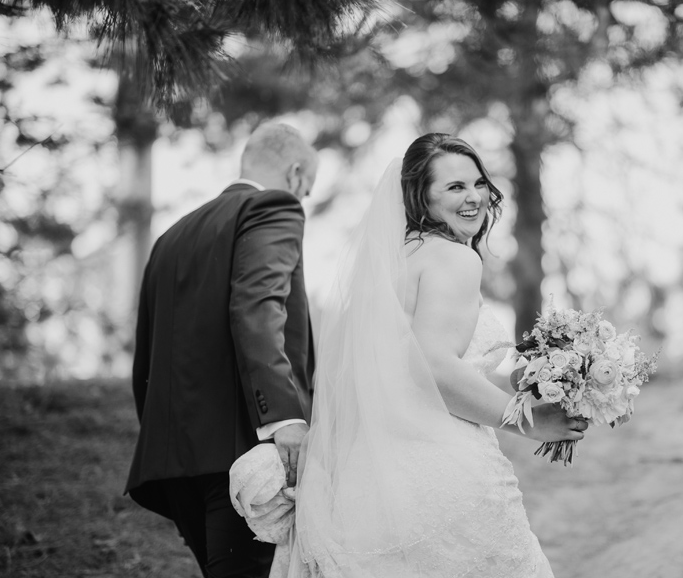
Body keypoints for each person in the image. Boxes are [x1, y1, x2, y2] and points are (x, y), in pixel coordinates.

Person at [288, 134, 586, 577]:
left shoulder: (395, 261)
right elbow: (434, 366)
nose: (473, 197)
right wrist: (528, 421)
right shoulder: (455, 259)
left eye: (478, 183)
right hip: (440, 473)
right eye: (454, 187)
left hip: (367, 476)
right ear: (421, 199)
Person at [125, 121, 318, 578]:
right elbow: (258, 306)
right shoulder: (274, 207)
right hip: (246, 455)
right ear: (294, 175)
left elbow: (147, 356)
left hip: (174, 462)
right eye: (307, 189)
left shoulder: (171, 236)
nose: (302, 198)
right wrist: (285, 416)